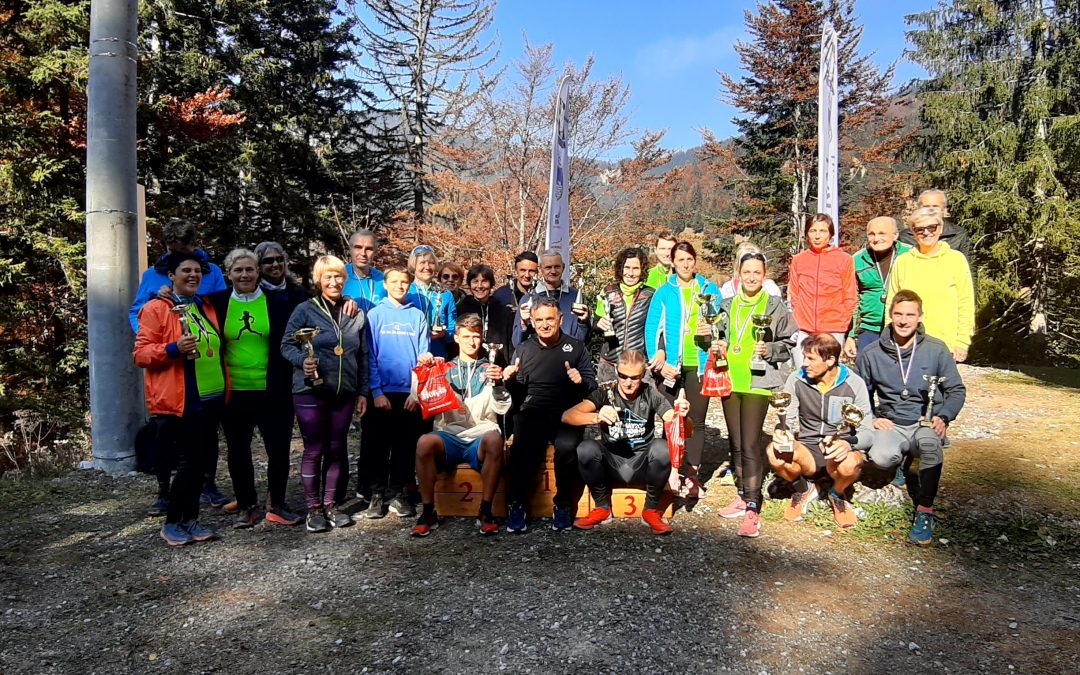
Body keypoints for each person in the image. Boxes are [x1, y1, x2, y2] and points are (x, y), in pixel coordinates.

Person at [856, 290, 966, 546]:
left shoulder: (936, 350)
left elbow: (956, 390)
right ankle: (901, 462)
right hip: (891, 424)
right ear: (890, 315)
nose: (904, 321)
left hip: (922, 423)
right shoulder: (871, 353)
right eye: (898, 314)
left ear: (919, 317)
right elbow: (860, 392)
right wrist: (871, 417)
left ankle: (925, 511)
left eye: (910, 315)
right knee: (882, 458)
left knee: (930, 446)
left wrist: (944, 416)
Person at [134, 251, 227, 546]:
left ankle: (191, 520)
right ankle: (172, 522)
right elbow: (141, 354)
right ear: (171, 276)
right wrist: (172, 348)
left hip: (210, 398)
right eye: (185, 270)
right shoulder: (156, 309)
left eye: (197, 271)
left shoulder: (204, 306)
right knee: (189, 464)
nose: (193, 275)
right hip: (181, 399)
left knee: (200, 464)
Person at [209, 249, 305, 528]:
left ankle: (277, 504)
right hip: (234, 391)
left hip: (274, 389)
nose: (245, 275)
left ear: (258, 272)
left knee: (278, 449)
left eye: (250, 269)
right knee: (238, 450)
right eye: (238, 270)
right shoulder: (216, 303)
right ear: (229, 274)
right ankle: (247, 504)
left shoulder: (278, 302)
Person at [280, 255, 370, 533]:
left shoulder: (355, 312)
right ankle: (313, 508)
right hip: (310, 391)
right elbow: (286, 345)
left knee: (336, 447)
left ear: (346, 279)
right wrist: (301, 361)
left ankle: (331, 504)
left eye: (339, 276)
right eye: (328, 277)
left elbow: (363, 355)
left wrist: (363, 392)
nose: (334, 282)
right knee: (314, 448)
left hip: (344, 391)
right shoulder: (304, 310)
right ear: (319, 280)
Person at [562, 350, 689, 535]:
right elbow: (567, 416)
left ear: (643, 374)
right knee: (586, 448)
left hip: (642, 466)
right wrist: (597, 417)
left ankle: (651, 510)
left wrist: (683, 416)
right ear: (615, 370)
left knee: (662, 448)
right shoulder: (604, 392)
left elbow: (678, 424)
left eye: (635, 377)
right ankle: (602, 507)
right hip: (611, 464)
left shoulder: (650, 394)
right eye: (623, 376)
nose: (628, 382)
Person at [714, 252, 796, 538]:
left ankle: (753, 504)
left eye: (756, 273)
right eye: (746, 272)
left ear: (765, 275)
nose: (751, 277)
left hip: (758, 381)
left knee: (750, 443)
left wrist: (769, 350)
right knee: (735, 441)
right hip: (729, 378)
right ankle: (741, 494)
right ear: (739, 274)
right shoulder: (727, 305)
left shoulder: (773, 306)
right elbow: (717, 337)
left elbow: (788, 342)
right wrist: (714, 342)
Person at [411, 314, 511, 537]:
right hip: (449, 435)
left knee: (496, 438)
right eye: (466, 336)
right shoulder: (443, 368)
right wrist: (423, 372)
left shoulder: (491, 368)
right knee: (424, 442)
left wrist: (499, 383)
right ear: (456, 338)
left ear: (482, 339)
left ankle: (485, 510)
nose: (471, 342)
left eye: (476, 336)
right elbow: (419, 399)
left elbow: (502, 409)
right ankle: (428, 512)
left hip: (481, 435)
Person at [502, 297, 595, 533]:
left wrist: (580, 381)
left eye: (549, 319)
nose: (544, 324)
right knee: (521, 445)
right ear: (531, 321)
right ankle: (517, 504)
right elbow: (517, 393)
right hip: (532, 410)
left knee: (566, 447)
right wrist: (511, 380)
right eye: (539, 320)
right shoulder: (523, 349)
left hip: (566, 413)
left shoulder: (575, 347)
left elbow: (592, 385)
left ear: (560, 319)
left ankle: (562, 504)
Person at [766, 334, 873, 530]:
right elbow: (787, 419)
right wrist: (783, 432)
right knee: (774, 453)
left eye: (811, 359)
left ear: (830, 360)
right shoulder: (796, 379)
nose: (804, 363)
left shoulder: (854, 383)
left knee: (852, 463)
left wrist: (848, 444)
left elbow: (867, 432)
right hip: (808, 450)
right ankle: (803, 489)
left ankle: (837, 493)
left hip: (837, 452)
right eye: (804, 357)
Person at [644, 241, 720, 497]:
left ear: (694, 260)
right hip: (671, 368)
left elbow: (722, 325)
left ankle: (694, 475)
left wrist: (713, 332)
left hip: (698, 364)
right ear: (673, 263)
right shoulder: (664, 292)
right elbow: (653, 328)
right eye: (680, 260)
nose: (685, 264)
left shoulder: (709, 289)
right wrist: (658, 361)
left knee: (696, 421)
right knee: (669, 419)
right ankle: (671, 472)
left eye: (689, 259)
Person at [364, 265, 432, 519]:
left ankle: (399, 493)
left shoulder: (417, 316)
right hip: (382, 393)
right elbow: (369, 355)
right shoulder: (375, 315)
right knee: (378, 446)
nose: (400, 286)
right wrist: (375, 391)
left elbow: (422, 357)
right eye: (394, 282)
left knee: (405, 445)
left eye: (404, 282)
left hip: (408, 394)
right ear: (385, 284)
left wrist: (416, 394)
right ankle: (377, 495)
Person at [887, 207, 975, 363]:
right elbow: (892, 302)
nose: (926, 233)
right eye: (919, 229)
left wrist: (962, 342)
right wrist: (891, 337)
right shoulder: (903, 262)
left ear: (940, 229)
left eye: (931, 227)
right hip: (908, 343)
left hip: (945, 345)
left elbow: (966, 303)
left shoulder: (956, 260)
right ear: (913, 233)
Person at [129, 218, 226, 334]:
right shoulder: (151, 275)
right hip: (166, 346)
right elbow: (137, 312)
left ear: (194, 246)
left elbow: (223, 308)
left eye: (183, 250)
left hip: (206, 343)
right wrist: (149, 337)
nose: (178, 255)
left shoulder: (213, 272)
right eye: (172, 250)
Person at [787, 213, 858, 370]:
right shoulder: (799, 260)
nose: (817, 236)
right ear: (806, 234)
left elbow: (849, 295)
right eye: (813, 231)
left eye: (823, 231)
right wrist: (799, 317)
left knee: (827, 374)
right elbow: (795, 293)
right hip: (804, 328)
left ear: (831, 234)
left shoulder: (845, 259)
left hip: (833, 328)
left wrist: (842, 323)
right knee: (803, 372)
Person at [843, 217, 912, 359]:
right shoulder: (857, 260)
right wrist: (850, 336)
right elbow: (852, 299)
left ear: (895, 235)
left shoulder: (910, 255)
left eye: (882, 233)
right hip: (869, 329)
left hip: (904, 327)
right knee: (867, 376)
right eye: (872, 234)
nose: (876, 238)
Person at [593, 247, 656, 382]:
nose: (631, 273)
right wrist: (599, 324)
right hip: (609, 364)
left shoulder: (651, 295)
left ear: (642, 270)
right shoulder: (607, 292)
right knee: (609, 403)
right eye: (627, 267)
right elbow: (595, 325)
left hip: (638, 365)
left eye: (636, 268)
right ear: (620, 269)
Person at [512, 248, 590, 346]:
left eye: (557, 267)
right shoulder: (528, 299)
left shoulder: (576, 296)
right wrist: (523, 323)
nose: (553, 271)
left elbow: (584, 340)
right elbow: (517, 343)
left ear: (563, 267)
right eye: (548, 267)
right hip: (539, 357)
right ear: (540, 270)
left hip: (570, 355)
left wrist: (584, 322)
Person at [406, 245, 456, 359]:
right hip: (411, 355)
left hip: (437, 355)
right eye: (422, 262)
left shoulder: (445, 294)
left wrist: (444, 334)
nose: (427, 267)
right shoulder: (405, 291)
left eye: (431, 263)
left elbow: (453, 329)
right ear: (413, 265)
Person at [456, 264, 512, 366]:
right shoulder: (461, 309)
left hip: (498, 364)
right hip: (469, 363)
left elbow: (509, 342)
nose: (480, 286)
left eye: (484, 281)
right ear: (469, 284)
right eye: (475, 281)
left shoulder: (502, 310)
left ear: (491, 284)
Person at [492, 251, 539, 362]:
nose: (527, 275)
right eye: (523, 270)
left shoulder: (542, 296)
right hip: (505, 357)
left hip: (533, 357)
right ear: (516, 271)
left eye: (531, 271)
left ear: (537, 271)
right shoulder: (501, 295)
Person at [899, 189, 971, 259]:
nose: (931, 210)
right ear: (919, 208)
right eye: (926, 207)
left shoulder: (958, 235)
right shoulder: (905, 237)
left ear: (944, 209)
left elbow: (965, 266)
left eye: (935, 206)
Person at [343, 228, 387, 314]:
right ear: (350, 250)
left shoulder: (383, 280)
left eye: (369, 249)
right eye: (358, 247)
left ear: (375, 252)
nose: (363, 253)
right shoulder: (338, 275)